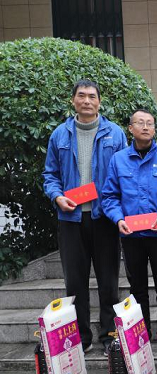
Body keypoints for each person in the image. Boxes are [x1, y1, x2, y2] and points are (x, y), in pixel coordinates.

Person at [42, 80, 127, 354]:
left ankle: (109, 334)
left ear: (99, 102)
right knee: (75, 282)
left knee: (108, 280)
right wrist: (57, 196)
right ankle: (80, 337)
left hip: (104, 217)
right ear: (73, 101)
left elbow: (125, 173)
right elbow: (50, 175)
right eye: (81, 96)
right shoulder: (60, 135)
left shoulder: (115, 133)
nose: (87, 101)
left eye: (92, 96)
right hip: (71, 219)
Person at [101, 109, 157, 357]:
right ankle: (141, 332)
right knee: (138, 288)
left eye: (150, 123)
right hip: (131, 236)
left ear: (155, 129)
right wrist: (118, 219)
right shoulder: (118, 160)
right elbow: (109, 196)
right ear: (130, 128)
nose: (145, 127)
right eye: (140, 123)